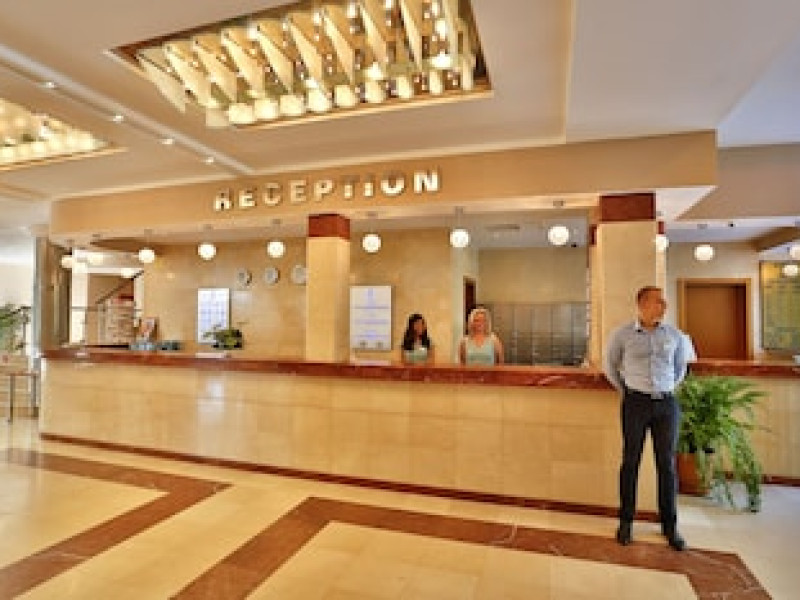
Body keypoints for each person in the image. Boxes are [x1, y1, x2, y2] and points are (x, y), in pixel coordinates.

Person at [604, 286, 689, 551]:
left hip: (666, 404)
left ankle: (670, 525)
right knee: (631, 462)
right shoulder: (622, 334)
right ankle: (626, 521)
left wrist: (665, 389)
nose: (664, 306)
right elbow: (610, 367)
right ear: (642, 304)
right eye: (658, 301)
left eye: (664, 302)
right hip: (635, 403)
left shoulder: (674, 335)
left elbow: (680, 369)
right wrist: (628, 391)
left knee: (667, 465)